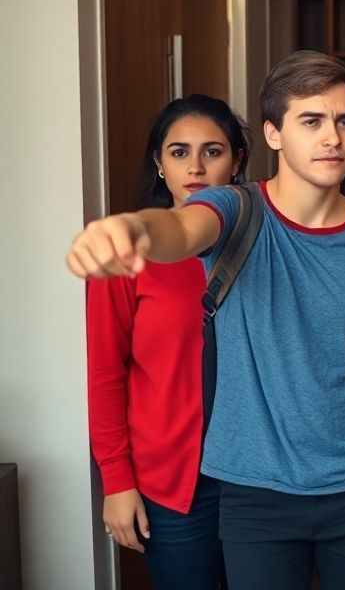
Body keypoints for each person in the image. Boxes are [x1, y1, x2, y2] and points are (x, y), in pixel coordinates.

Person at [68, 51, 345, 589]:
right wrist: (132, 230)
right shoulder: (236, 212)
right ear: (274, 133)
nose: (332, 136)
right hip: (256, 493)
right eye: (311, 120)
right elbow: (181, 230)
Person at [87, 94, 248, 589]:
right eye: (179, 152)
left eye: (212, 151)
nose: (195, 167)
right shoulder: (128, 251)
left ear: (237, 160)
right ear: (158, 163)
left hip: (261, 475)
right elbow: (105, 373)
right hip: (174, 482)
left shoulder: (263, 243)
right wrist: (117, 481)